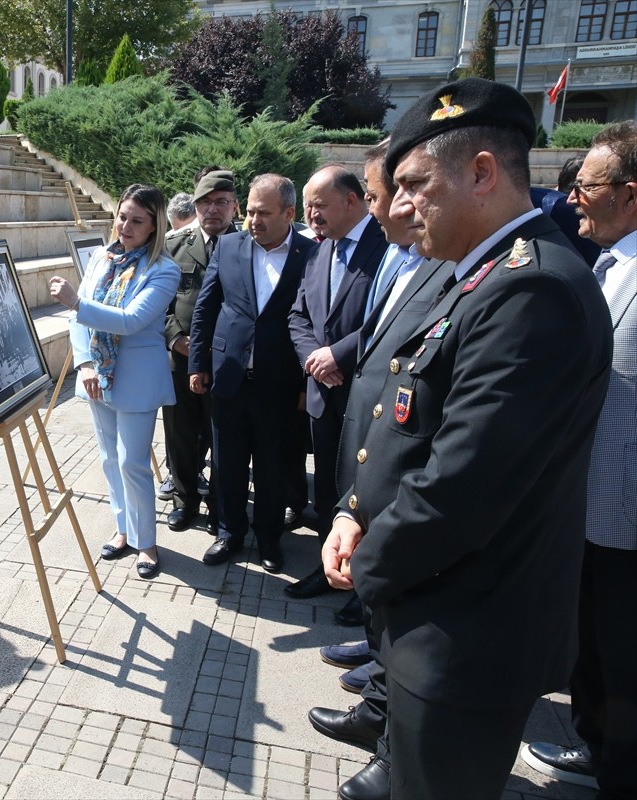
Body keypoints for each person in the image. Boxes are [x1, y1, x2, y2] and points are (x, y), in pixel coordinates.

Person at [321, 77, 612, 800]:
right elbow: (406, 417)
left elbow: (465, 482)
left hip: (469, 630)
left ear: (482, 173)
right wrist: (354, 510)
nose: (403, 203)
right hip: (437, 608)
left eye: (417, 185)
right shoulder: (476, 273)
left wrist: (370, 570)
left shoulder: (531, 289)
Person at [306, 140, 453, 781]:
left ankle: (394, 739)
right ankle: (378, 693)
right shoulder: (413, 256)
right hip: (371, 440)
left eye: (389, 192)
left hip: (409, 466)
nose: (385, 206)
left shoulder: (451, 265)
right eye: (378, 193)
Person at [523, 120, 637, 800]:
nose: (570, 202)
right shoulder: (611, 262)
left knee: (625, 661)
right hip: (596, 505)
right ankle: (598, 752)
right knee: (596, 649)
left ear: (630, 194)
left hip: (628, 516)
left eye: (586, 188)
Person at [47, 184, 178, 579]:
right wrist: (84, 363)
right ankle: (124, 530)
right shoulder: (103, 259)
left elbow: (131, 321)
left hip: (136, 379)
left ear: (155, 226)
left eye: (137, 220)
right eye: (122, 216)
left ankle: (147, 544)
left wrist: (76, 302)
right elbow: (78, 323)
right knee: (108, 459)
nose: (126, 226)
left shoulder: (164, 270)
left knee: (132, 462)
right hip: (97, 377)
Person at [189, 174, 317, 571]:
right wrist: (198, 363)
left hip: (279, 385)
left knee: (271, 466)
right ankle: (229, 532)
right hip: (228, 377)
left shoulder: (310, 255)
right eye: (250, 211)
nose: (253, 220)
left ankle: (268, 539)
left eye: (264, 213)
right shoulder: (228, 247)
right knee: (227, 464)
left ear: (290, 214)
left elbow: (315, 320)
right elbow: (205, 309)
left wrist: (304, 384)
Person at [285, 165, 387, 598]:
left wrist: (338, 354)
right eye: (308, 206)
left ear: (352, 200)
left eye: (320, 205)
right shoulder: (318, 251)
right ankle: (328, 569)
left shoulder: (388, 244)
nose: (312, 215)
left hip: (368, 393)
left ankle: (364, 582)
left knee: (366, 491)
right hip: (322, 391)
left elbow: (394, 317)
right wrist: (314, 358)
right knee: (326, 483)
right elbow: (299, 315)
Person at [162, 169, 239, 533]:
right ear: (194, 206)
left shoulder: (249, 247)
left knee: (223, 437)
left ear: (235, 207)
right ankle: (184, 500)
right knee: (180, 434)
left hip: (227, 363)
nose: (213, 210)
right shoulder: (173, 247)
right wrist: (175, 337)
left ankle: (218, 507)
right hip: (179, 360)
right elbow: (157, 302)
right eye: (205, 202)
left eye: (221, 202)